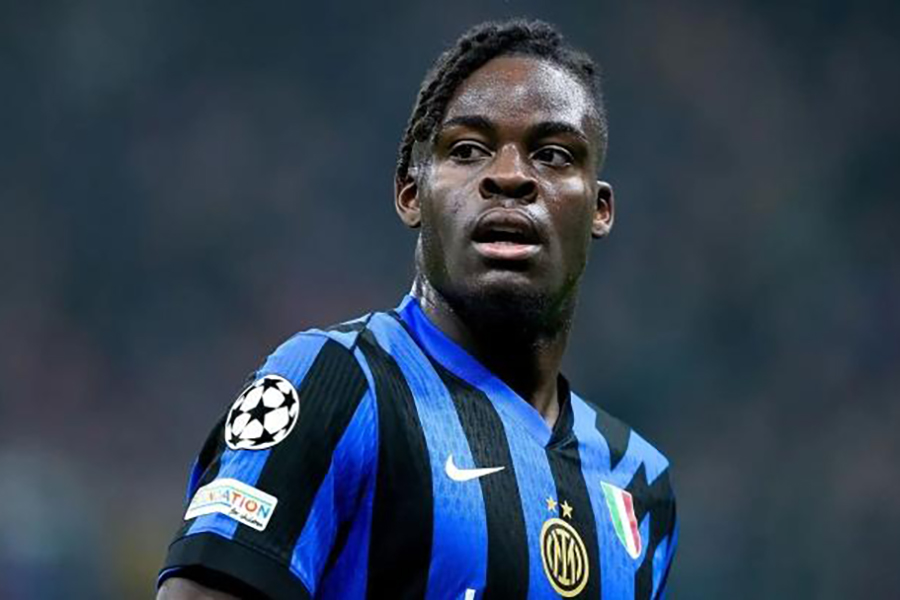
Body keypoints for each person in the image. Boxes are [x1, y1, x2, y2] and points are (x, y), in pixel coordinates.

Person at [157, 18, 677, 600]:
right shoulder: (339, 386)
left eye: (553, 155)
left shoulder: (640, 483)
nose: (509, 176)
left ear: (600, 209)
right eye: (468, 150)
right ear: (412, 194)